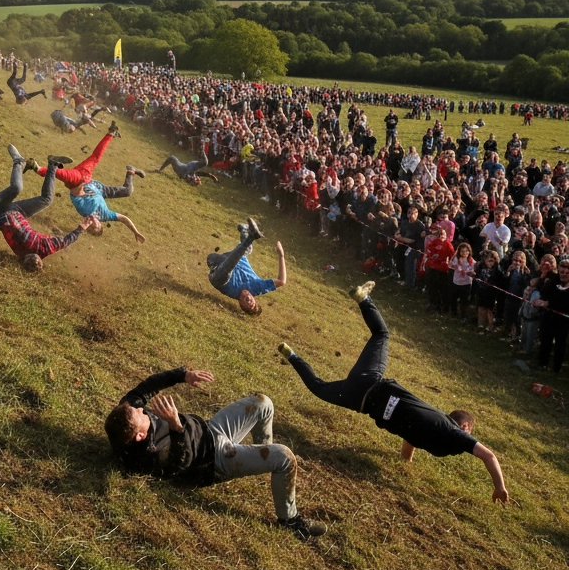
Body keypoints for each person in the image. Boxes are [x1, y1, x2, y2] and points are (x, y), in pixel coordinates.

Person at [278, 283, 509, 504]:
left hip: (368, 381)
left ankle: (363, 299)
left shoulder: (434, 426)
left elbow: (412, 436)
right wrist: (499, 487)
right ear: (465, 427)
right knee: (318, 387)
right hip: (359, 400)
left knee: (381, 334)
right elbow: (489, 456)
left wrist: (405, 462)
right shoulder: (451, 433)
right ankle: (293, 356)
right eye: (469, 431)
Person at [104, 367, 326, 540]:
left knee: (263, 403)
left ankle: (264, 457)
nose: (141, 408)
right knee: (284, 457)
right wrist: (175, 426)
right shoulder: (147, 456)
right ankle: (289, 520)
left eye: (136, 407)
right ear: (139, 436)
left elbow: (149, 385)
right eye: (139, 414)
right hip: (216, 458)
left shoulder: (125, 412)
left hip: (211, 429)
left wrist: (183, 375)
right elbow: (180, 463)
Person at [0, 145, 101, 271]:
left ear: (24, 260)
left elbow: (66, 241)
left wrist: (83, 227)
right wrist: (82, 227)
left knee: (17, 188)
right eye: (38, 262)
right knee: (45, 199)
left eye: (32, 261)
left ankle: (19, 161)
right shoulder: (42, 248)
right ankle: (52, 165)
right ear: (41, 261)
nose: (35, 260)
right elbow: (66, 240)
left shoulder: (42, 248)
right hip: (13, 212)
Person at [206, 219, 286, 315]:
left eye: (246, 305)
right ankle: (244, 230)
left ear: (240, 304)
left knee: (225, 273)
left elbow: (226, 269)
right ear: (253, 299)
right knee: (248, 250)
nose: (249, 301)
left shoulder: (233, 291)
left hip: (216, 268)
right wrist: (281, 255)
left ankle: (250, 238)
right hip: (231, 256)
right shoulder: (257, 287)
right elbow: (282, 281)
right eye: (252, 303)